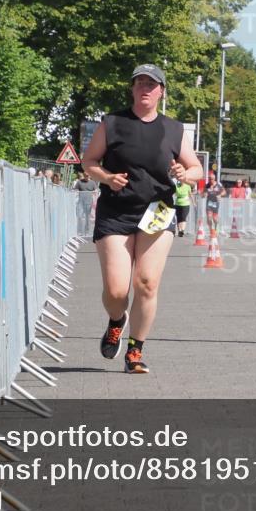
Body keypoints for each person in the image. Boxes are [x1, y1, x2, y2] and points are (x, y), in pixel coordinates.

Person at [81, 63, 203, 375]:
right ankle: (115, 321)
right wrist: (107, 178)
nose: (145, 89)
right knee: (117, 291)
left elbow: (196, 170)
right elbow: (89, 162)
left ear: (161, 91)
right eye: (140, 83)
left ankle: (135, 350)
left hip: (158, 212)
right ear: (132, 89)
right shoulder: (113, 122)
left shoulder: (174, 130)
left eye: (152, 84)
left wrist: (184, 173)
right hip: (116, 212)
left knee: (146, 283)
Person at [73, 171, 97, 236]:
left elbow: (96, 191)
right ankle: (80, 230)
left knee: (87, 217)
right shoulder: (80, 182)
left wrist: (94, 192)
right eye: (86, 175)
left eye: (88, 176)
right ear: (84, 175)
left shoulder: (92, 183)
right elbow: (74, 189)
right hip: (81, 202)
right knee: (80, 216)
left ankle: (87, 230)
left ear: (90, 176)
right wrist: (76, 192)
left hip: (89, 202)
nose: (87, 177)